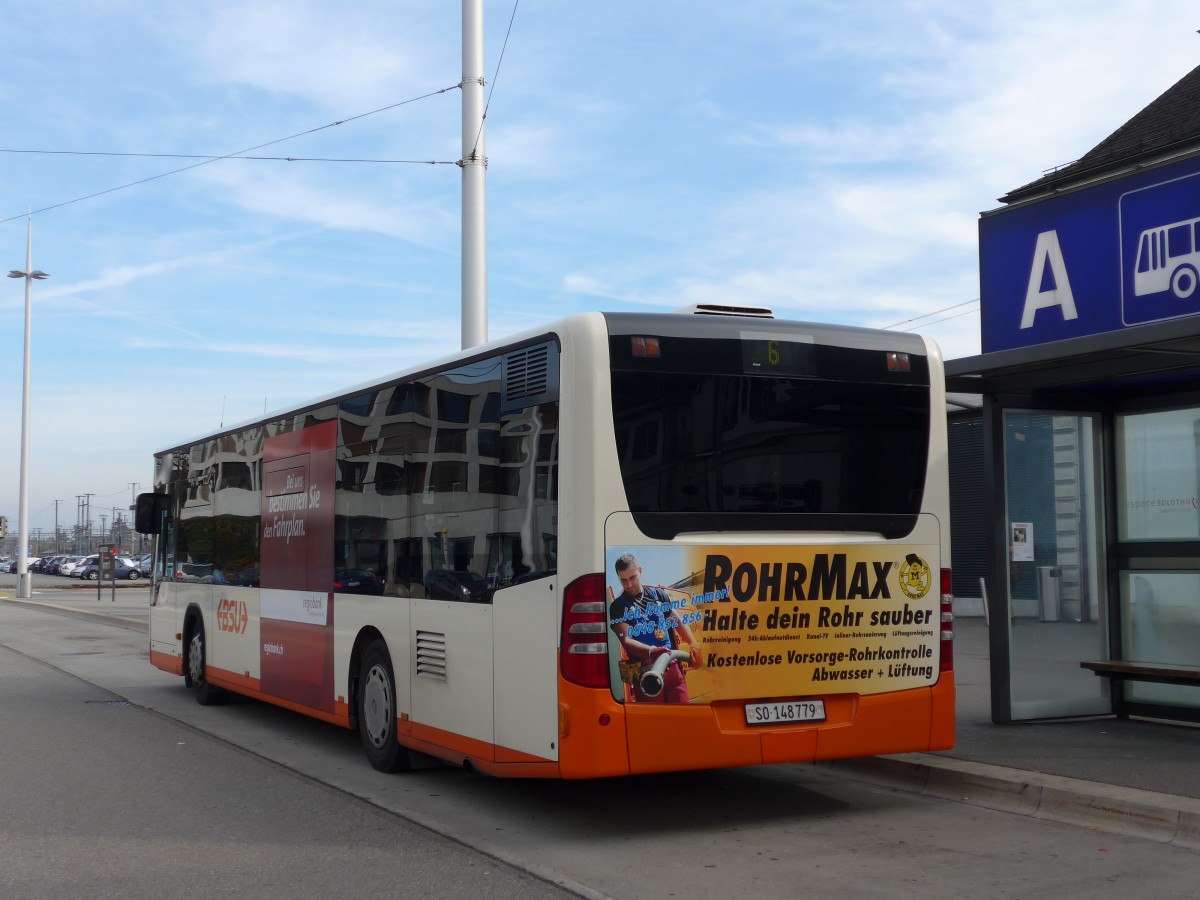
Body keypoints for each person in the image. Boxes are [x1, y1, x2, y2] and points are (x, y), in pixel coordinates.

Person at [608, 553, 699, 703]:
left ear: (640, 571)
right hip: (647, 676)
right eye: (623, 580)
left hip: (673, 669)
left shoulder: (658, 594)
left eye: (632, 578)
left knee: (684, 719)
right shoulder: (618, 607)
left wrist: (694, 644)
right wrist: (651, 651)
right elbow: (627, 640)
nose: (629, 585)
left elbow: (677, 621)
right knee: (655, 723)